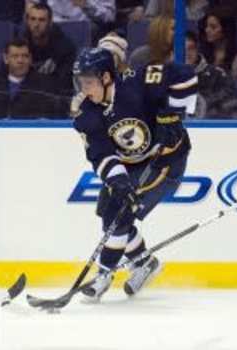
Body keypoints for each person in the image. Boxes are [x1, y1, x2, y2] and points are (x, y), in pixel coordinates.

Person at [71, 47, 197, 301]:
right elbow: (102, 155)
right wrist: (119, 182)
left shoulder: (138, 83)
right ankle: (144, 263)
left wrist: (172, 114)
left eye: (89, 82)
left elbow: (186, 76)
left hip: (166, 161)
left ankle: (103, 275)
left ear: (106, 77)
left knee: (121, 216)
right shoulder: (86, 115)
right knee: (111, 215)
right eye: (81, 83)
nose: (85, 89)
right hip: (131, 165)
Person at [0, 38, 67, 118]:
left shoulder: (46, 86)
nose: (20, 60)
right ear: (6, 59)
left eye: (25, 56)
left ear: (30, 59)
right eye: (15, 56)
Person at [185, 31, 237, 118]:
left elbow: (233, 108)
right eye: (182, 49)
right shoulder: (166, 76)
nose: (187, 53)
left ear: (197, 49)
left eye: (191, 48)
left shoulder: (217, 75)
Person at [22, 2, 77, 94]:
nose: (36, 24)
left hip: (53, 97)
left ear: (50, 22)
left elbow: (64, 82)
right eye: (33, 19)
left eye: (41, 20)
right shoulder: (21, 44)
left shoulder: (66, 48)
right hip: (26, 94)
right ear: (27, 21)